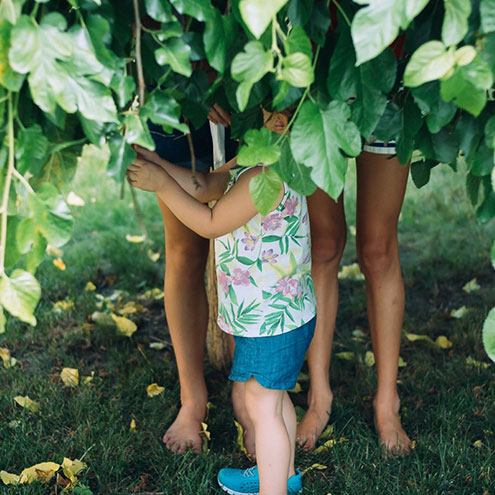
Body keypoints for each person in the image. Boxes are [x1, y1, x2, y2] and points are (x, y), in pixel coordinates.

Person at [127, 110, 317, 495]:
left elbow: (210, 222)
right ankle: (283, 475)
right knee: (275, 401)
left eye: (256, 110)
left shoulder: (264, 178)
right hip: (282, 316)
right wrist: (159, 165)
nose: (238, 116)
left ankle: (272, 488)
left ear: (280, 122)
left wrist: (163, 184)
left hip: (270, 323)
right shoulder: (265, 161)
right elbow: (206, 184)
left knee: (263, 409)